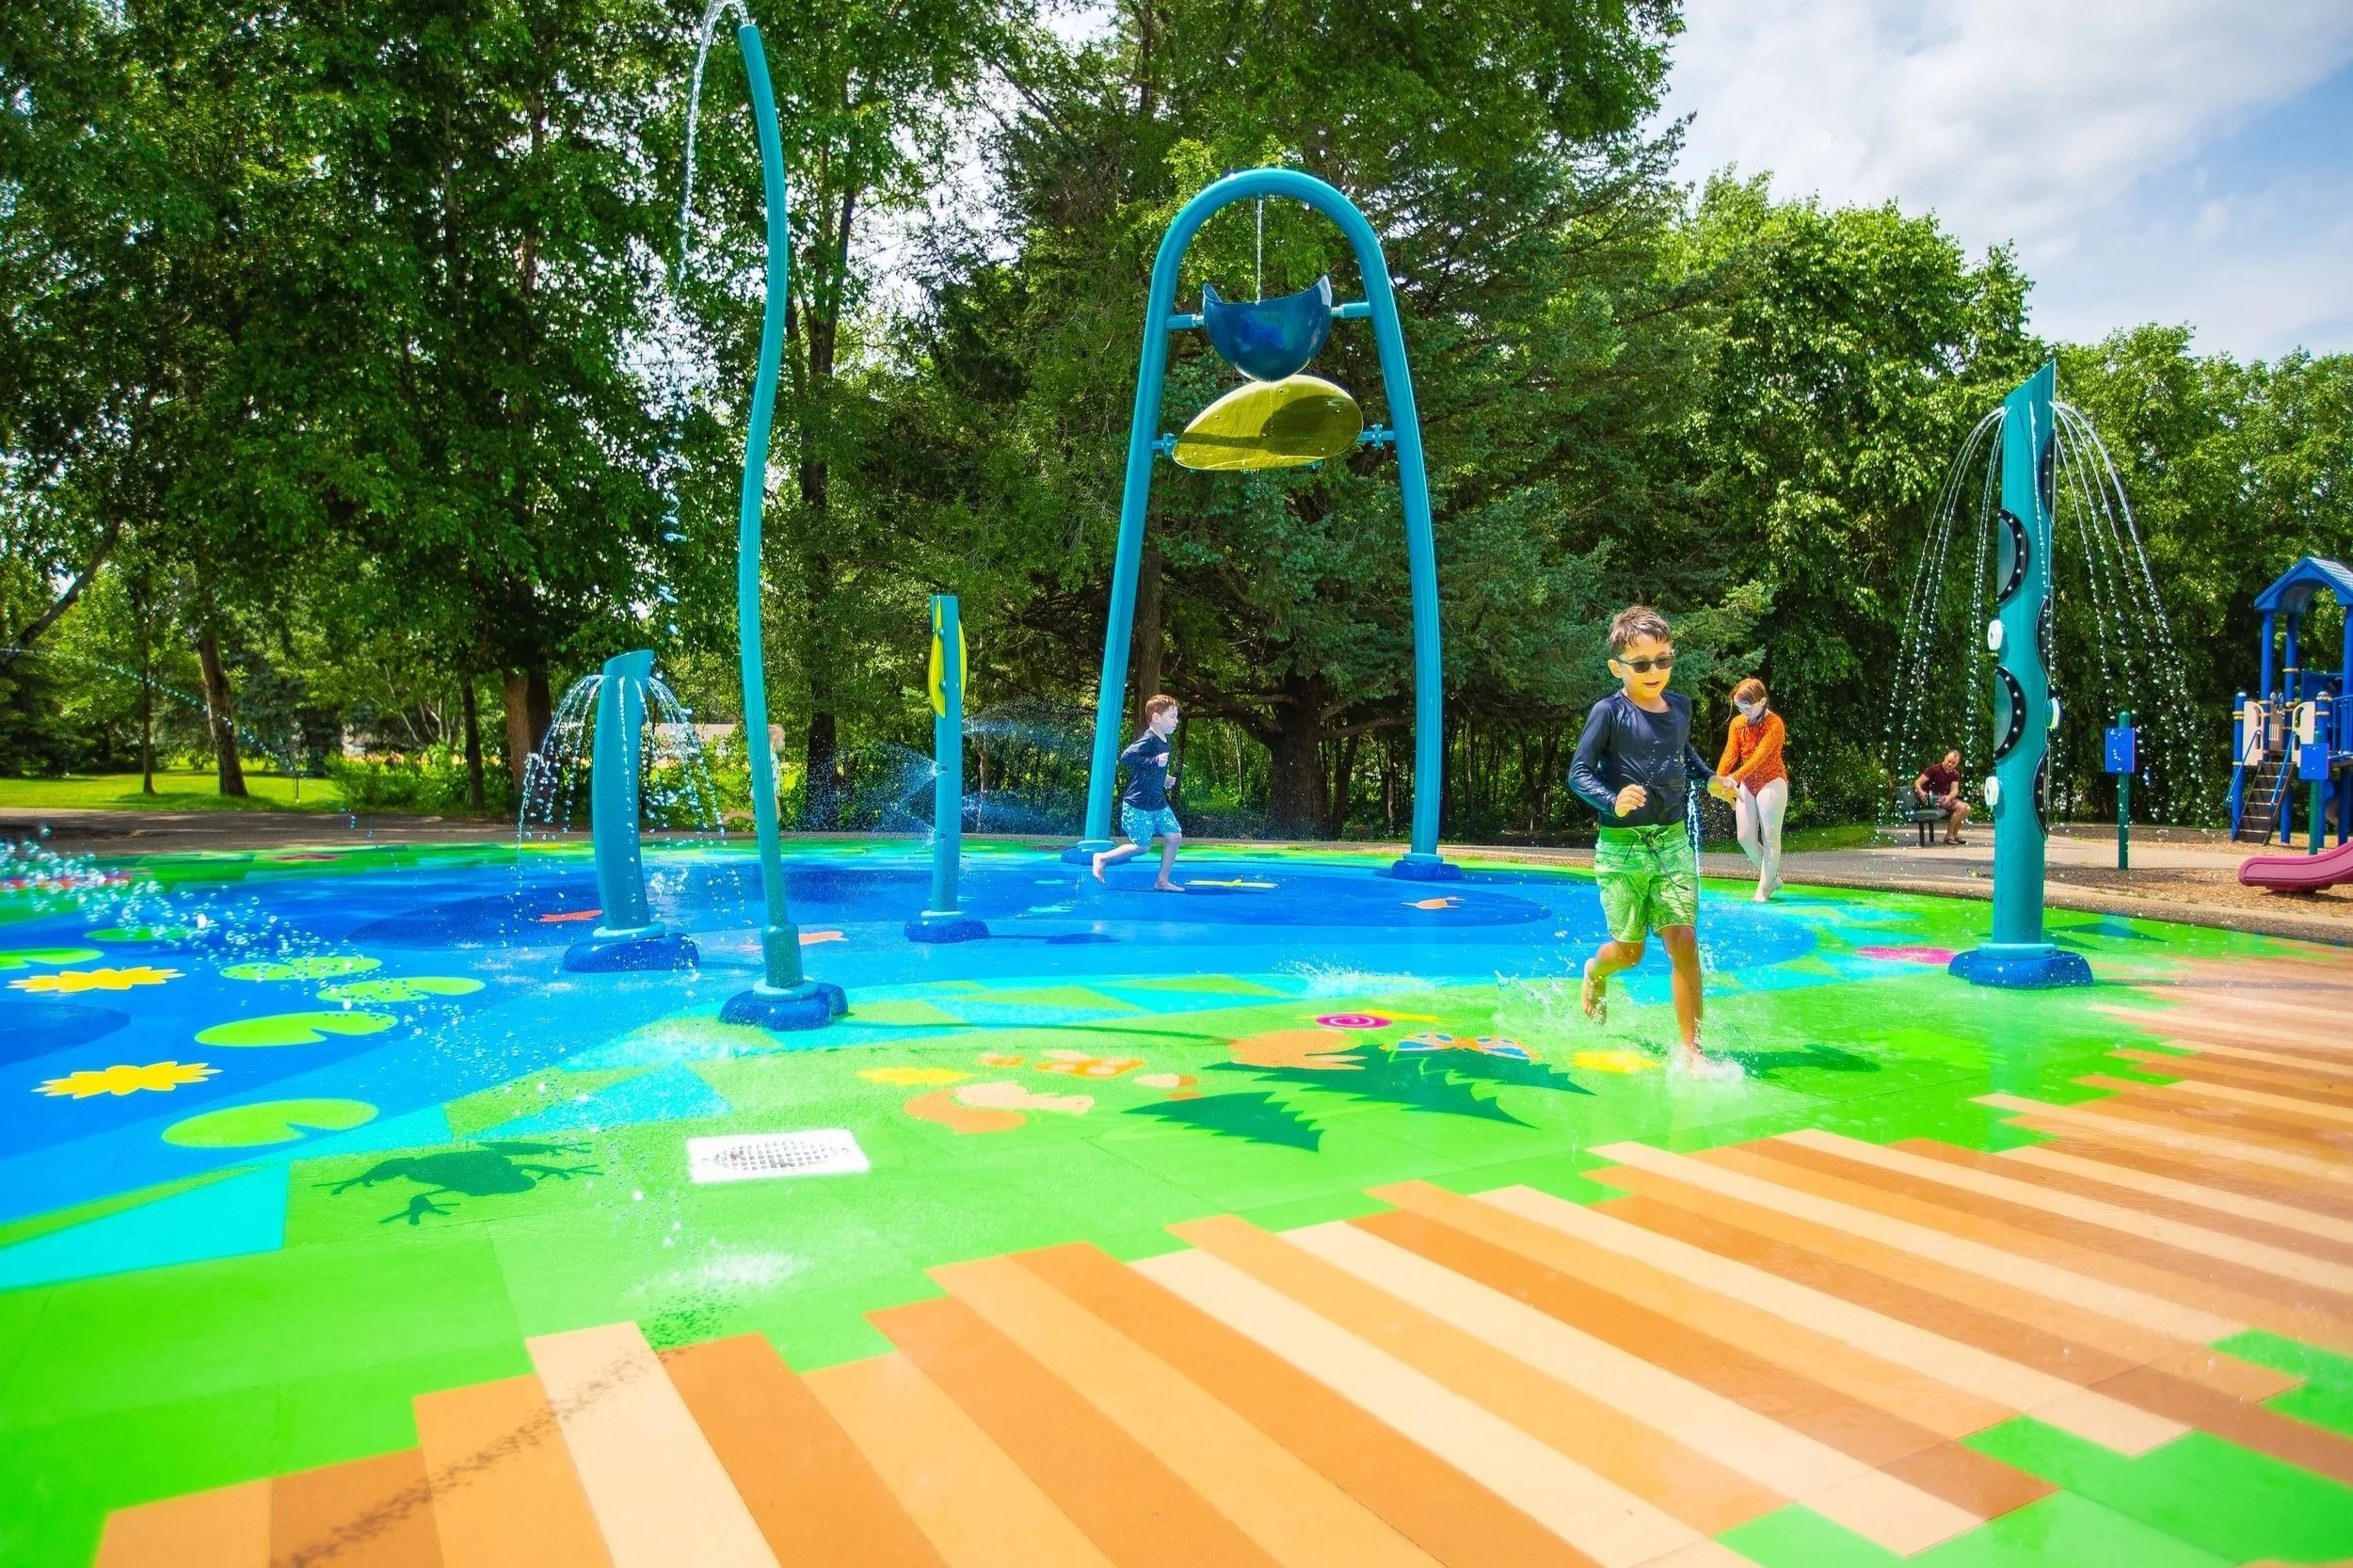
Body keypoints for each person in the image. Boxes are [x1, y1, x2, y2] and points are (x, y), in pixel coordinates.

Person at [1569, 605, 1739, 1079]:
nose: (1654, 671)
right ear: (1617, 668)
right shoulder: (1609, 713)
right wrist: (1613, 799)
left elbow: (1684, 755)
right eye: (1641, 663)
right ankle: (1595, 971)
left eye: (1663, 660)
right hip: (1621, 847)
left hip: (1671, 843)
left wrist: (1711, 780)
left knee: (1683, 940)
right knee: (1630, 953)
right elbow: (1578, 773)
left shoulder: (1679, 708)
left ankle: (1693, 1052)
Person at [1093, 694, 1186, 890]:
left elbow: (1151, 769)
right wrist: (1154, 761)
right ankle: (1102, 858)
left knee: (1175, 836)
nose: (1176, 721)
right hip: (1138, 804)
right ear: (1156, 717)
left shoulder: (1165, 740)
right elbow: (1126, 757)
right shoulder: (1149, 739)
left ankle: (1162, 881)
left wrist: (1164, 778)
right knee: (1142, 847)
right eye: (1172, 716)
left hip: (1157, 803)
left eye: (1176, 716)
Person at [1719, 677, 1787, 902]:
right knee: (1745, 837)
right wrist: (1719, 781)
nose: (1743, 713)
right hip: (1747, 783)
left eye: (1747, 708)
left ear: (1763, 702)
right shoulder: (1738, 724)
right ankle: (1772, 877)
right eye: (1739, 708)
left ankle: (1763, 890)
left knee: (1770, 837)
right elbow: (1730, 753)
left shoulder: (1774, 724)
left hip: (1772, 781)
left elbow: (1759, 758)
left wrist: (1734, 778)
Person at [1914, 749, 1970, 845]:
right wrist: (1920, 791)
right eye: (1949, 761)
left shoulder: (1954, 773)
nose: (1950, 764)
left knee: (1967, 808)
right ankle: (1949, 836)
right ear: (1945, 757)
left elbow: (1955, 790)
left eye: (1953, 763)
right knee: (1961, 807)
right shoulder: (1934, 769)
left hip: (1941, 798)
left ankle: (1954, 834)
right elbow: (1917, 782)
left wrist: (1949, 797)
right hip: (1930, 799)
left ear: (1957, 763)